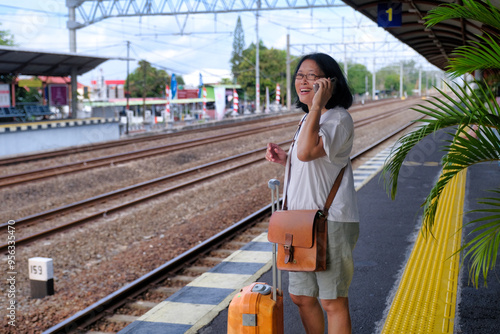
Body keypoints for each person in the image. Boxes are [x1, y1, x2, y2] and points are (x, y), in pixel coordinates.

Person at [266, 53, 359, 334]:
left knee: (332, 300)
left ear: (330, 82)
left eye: (312, 75)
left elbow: (307, 152)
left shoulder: (339, 118)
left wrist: (317, 104)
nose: (303, 81)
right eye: (299, 75)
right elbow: (308, 159)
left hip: (329, 220)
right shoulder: (308, 119)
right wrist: (286, 159)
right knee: (302, 297)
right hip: (300, 221)